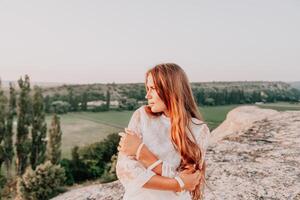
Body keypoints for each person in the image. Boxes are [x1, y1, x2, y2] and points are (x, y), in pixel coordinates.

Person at [116, 63, 211, 200]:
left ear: (171, 90)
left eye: (153, 89)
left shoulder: (199, 130)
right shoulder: (141, 116)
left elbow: (190, 182)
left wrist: (143, 153)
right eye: (147, 88)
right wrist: (177, 183)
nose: (147, 95)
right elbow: (126, 171)